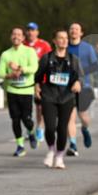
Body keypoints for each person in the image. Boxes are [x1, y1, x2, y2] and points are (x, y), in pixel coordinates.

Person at [35, 30, 82, 169]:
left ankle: (60, 156)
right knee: (49, 127)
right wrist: (37, 87)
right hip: (49, 96)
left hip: (66, 97)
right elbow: (38, 76)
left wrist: (78, 83)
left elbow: (80, 77)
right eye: (60, 38)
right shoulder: (47, 58)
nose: (64, 40)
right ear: (54, 41)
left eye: (66, 38)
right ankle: (51, 149)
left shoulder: (73, 59)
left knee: (62, 129)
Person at [0, 27, 39, 157]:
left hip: (26, 91)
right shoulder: (6, 54)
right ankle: (20, 146)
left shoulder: (30, 51)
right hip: (12, 90)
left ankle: (31, 132)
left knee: (26, 119)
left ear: (23, 38)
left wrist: (20, 69)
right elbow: (0, 73)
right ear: (11, 37)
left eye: (19, 35)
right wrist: (11, 76)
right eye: (14, 34)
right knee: (15, 119)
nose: (16, 36)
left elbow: (34, 68)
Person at [66, 22, 98, 155]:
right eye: (71, 29)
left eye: (76, 29)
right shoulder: (64, 47)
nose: (73, 31)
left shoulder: (87, 48)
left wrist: (80, 72)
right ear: (69, 32)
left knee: (83, 117)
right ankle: (73, 145)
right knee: (70, 117)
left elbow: (95, 66)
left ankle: (85, 129)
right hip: (66, 88)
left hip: (83, 87)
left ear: (81, 33)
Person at [23, 22, 53, 142]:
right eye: (28, 30)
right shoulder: (22, 44)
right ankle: (29, 127)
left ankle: (40, 128)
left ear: (37, 32)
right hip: (25, 80)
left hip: (41, 79)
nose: (30, 32)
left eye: (33, 30)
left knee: (40, 106)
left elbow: (50, 61)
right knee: (26, 106)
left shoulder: (44, 45)